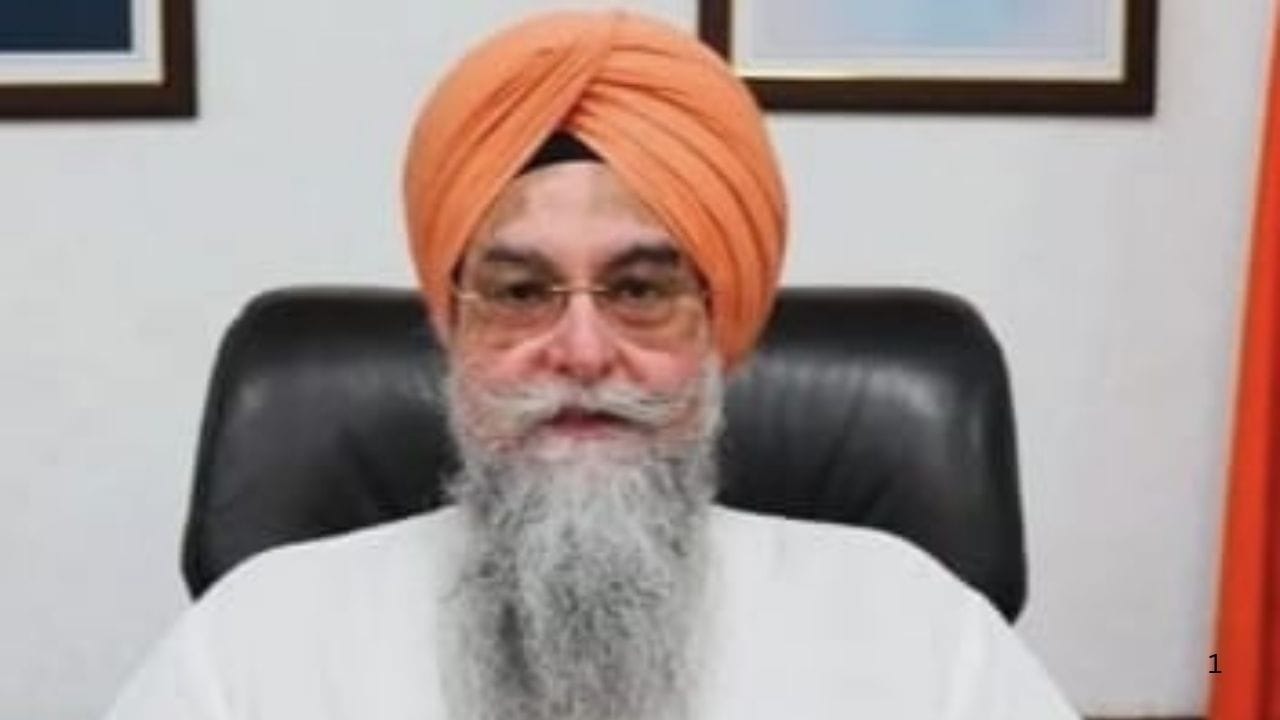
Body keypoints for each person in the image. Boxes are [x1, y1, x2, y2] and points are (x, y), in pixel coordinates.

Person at [106, 10, 1079, 720]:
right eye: (520, 292)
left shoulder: (913, 631)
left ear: (718, 327)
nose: (579, 351)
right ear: (451, 328)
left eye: (641, 289)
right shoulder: (258, 642)